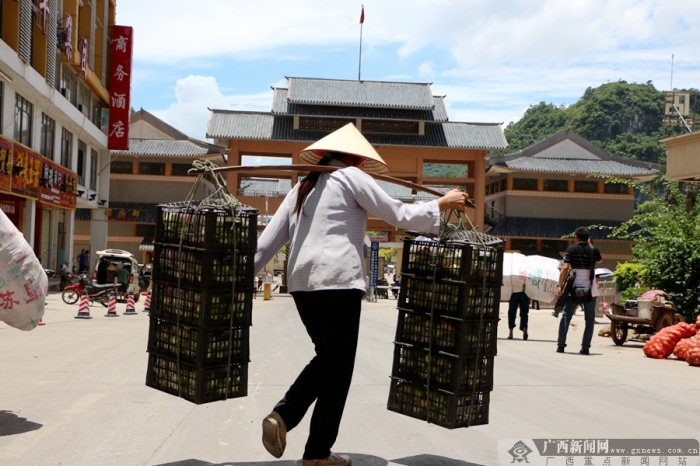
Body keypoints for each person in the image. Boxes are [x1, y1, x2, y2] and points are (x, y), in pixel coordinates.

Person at [253, 123, 470, 466]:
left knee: (328, 359)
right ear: (357, 158)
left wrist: (239, 276)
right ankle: (305, 440)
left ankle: (296, 429)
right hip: (337, 280)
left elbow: (266, 243)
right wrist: (441, 204)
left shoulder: (300, 188)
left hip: (301, 285)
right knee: (338, 367)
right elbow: (398, 214)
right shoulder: (351, 177)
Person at [555, 227, 602, 355]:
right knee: (589, 320)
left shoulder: (571, 249)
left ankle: (561, 345)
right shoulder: (594, 250)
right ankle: (585, 347)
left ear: (576, 237)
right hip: (590, 291)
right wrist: (591, 246)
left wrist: (560, 286)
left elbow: (565, 268)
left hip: (573, 290)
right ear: (588, 237)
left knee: (566, 317)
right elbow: (600, 260)